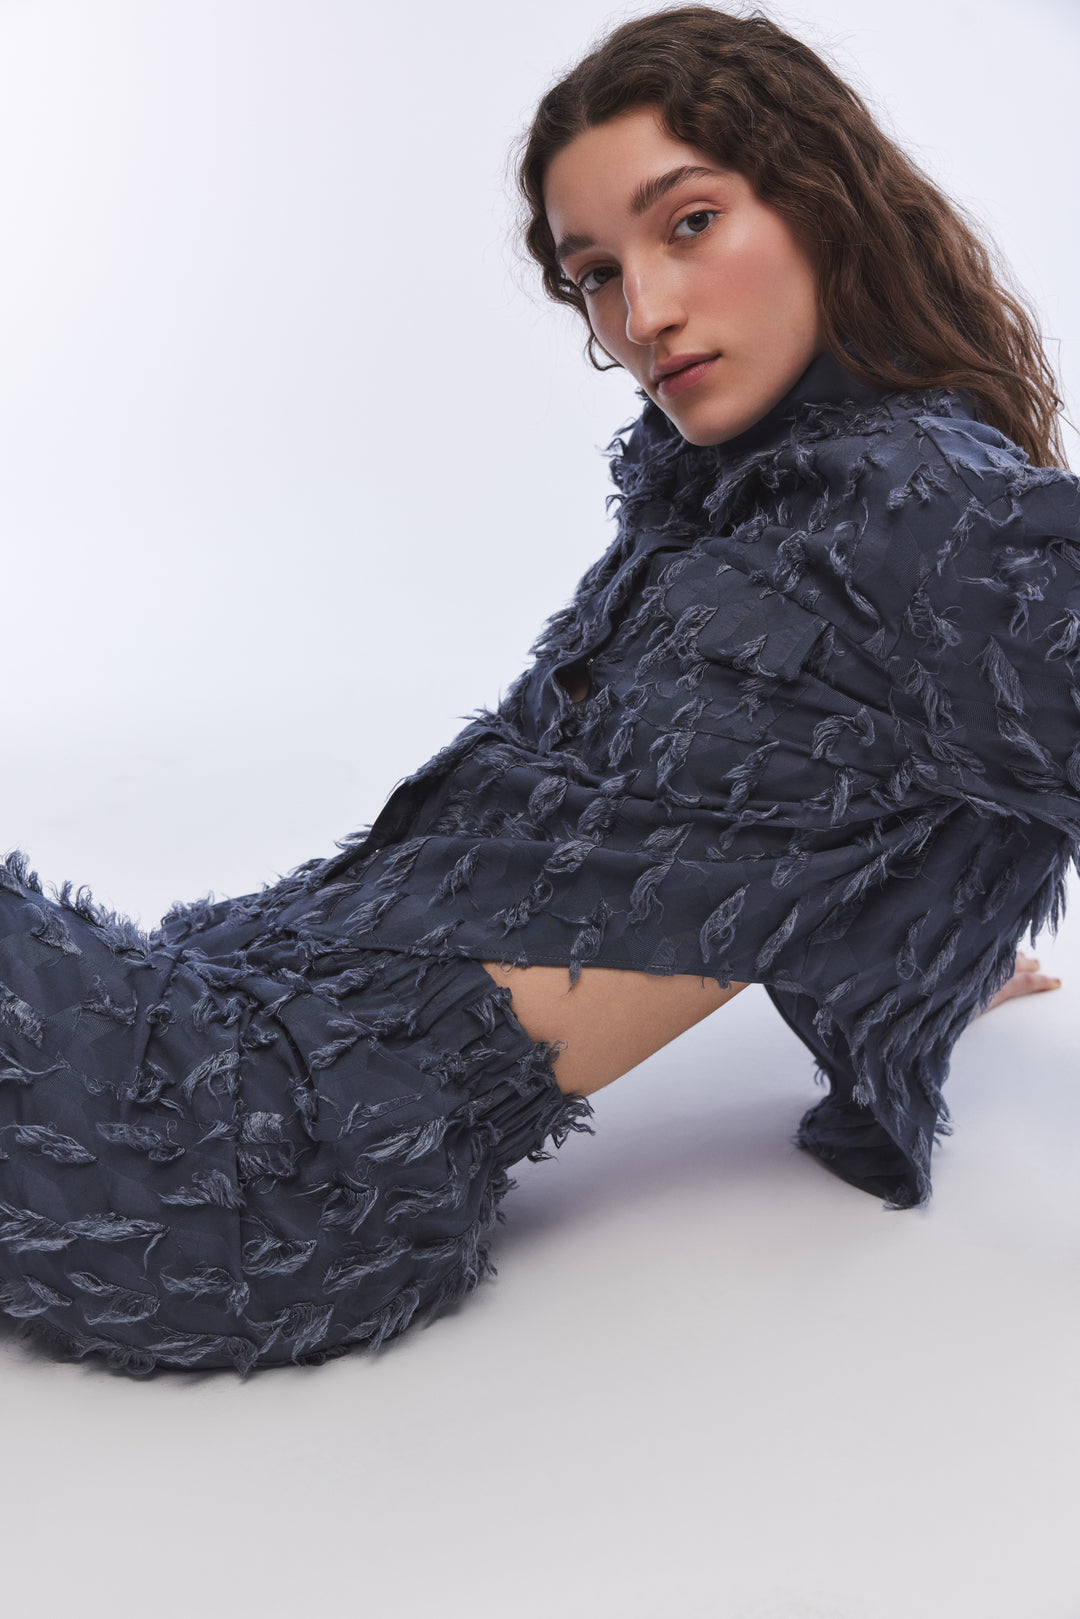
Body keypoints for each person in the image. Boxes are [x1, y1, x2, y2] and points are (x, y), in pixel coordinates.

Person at [0, 5, 1073, 1378]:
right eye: (597, 275)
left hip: (261, 1164)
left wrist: (929, 930)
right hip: (217, 1001)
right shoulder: (735, 490)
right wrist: (919, 935)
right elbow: (782, 801)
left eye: (690, 223)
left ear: (825, 202)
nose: (645, 315)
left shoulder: (941, 524)